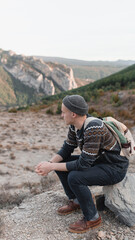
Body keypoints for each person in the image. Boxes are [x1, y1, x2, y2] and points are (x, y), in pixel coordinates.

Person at [35, 95, 129, 234]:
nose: (61, 115)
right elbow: (66, 149)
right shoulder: (75, 126)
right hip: (98, 162)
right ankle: (77, 201)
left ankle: (92, 218)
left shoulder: (94, 127)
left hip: (114, 168)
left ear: (73, 114)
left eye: (63, 112)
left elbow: (83, 164)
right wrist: (49, 164)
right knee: (62, 162)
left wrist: (52, 167)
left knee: (75, 177)